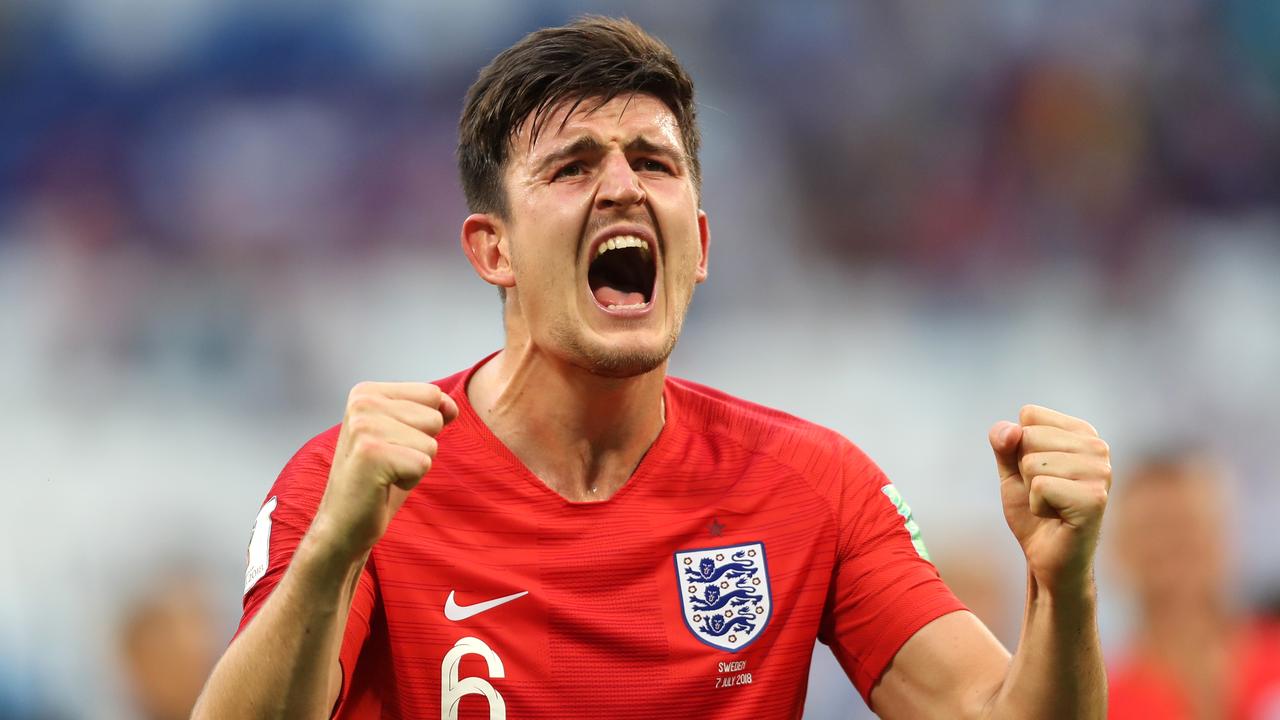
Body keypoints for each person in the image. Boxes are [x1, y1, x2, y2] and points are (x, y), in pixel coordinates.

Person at [192, 17, 1113, 719]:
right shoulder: (358, 485)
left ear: (700, 244)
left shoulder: (810, 486)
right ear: (492, 250)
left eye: (653, 162)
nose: (624, 186)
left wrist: (1061, 589)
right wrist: (332, 557)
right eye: (572, 167)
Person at [1107, 452, 1280, 719]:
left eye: (1188, 526)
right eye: (1152, 530)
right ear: (1118, 553)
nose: (1171, 546)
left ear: (1225, 536)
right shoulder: (1103, 701)